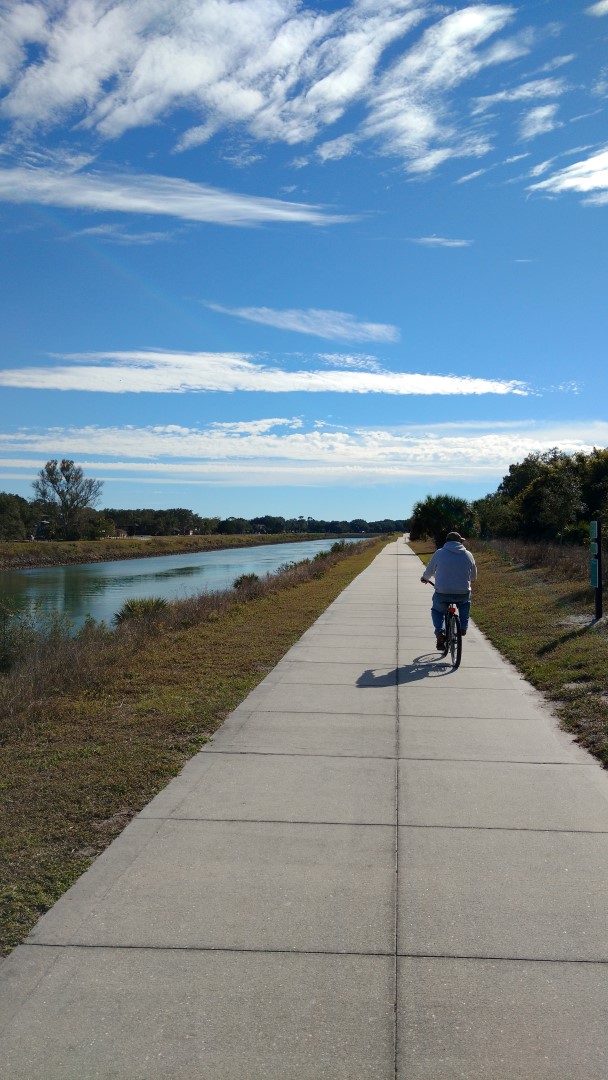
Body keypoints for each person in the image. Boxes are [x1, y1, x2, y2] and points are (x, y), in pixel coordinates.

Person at [420, 531, 477, 650]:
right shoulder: (468, 554)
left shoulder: (439, 553)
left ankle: (440, 632)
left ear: (447, 541)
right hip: (462, 592)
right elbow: (473, 576)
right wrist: (470, 580)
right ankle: (463, 627)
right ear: (460, 542)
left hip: (442, 592)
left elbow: (430, 570)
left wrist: (425, 578)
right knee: (465, 604)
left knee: (437, 611)